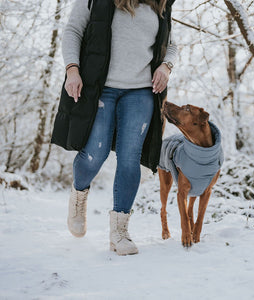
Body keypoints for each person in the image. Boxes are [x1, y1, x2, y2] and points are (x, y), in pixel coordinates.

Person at [51, 0, 177, 256]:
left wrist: (166, 65)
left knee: (130, 158)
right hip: (101, 88)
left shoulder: (160, 3)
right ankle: (79, 193)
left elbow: (171, 44)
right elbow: (73, 31)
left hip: (141, 91)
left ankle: (119, 232)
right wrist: (72, 69)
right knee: (95, 153)